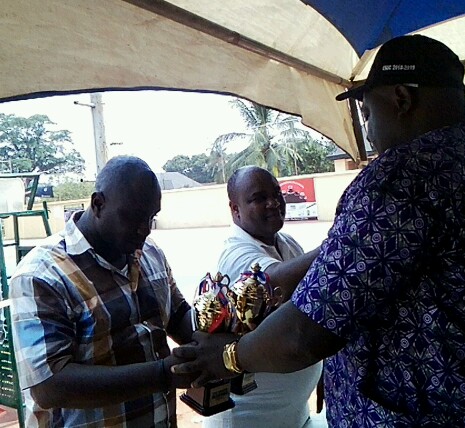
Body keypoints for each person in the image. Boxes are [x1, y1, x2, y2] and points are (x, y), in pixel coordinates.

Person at [172, 35, 465, 427]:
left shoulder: (400, 179)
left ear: (401, 99)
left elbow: (303, 333)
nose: (370, 130)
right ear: (235, 209)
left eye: (367, 112)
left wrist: (228, 357)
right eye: (259, 198)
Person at [10, 156, 196, 427]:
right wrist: (162, 374)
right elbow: (50, 385)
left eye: (151, 217)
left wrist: (218, 332)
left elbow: (178, 315)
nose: (145, 229)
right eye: (133, 217)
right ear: (98, 204)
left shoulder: (150, 253)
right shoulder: (41, 274)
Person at [203, 166, 323, 428]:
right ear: (235, 209)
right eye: (259, 198)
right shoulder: (236, 253)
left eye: (277, 194)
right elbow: (273, 283)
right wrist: (343, 241)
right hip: (250, 419)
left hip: (292, 414)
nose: (273, 203)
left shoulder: (286, 242)